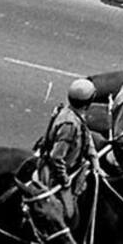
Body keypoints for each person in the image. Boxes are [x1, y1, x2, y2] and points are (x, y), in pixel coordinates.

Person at [36, 79, 96, 220]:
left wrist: (94, 159)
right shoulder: (69, 125)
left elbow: (87, 136)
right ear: (88, 103)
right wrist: (65, 180)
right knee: (69, 214)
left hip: (76, 166)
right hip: (58, 174)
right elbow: (56, 157)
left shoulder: (75, 114)